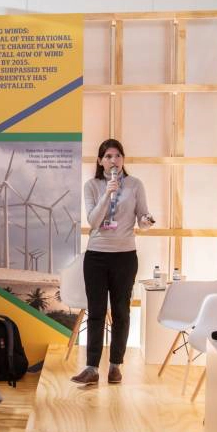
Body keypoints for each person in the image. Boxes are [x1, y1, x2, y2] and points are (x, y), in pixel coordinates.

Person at [71, 139, 154, 386]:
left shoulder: (135, 184)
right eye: (108, 156)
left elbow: (143, 218)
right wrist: (108, 193)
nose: (113, 160)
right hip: (96, 255)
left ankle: (116, 366)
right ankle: (92, 368)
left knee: (121, 312)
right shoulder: (91, 186)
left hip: (125, 256)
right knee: (96, 312)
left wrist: (147, 221)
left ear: (123, 159)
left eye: (117, 155)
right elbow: (94, 221)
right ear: (100, 161)